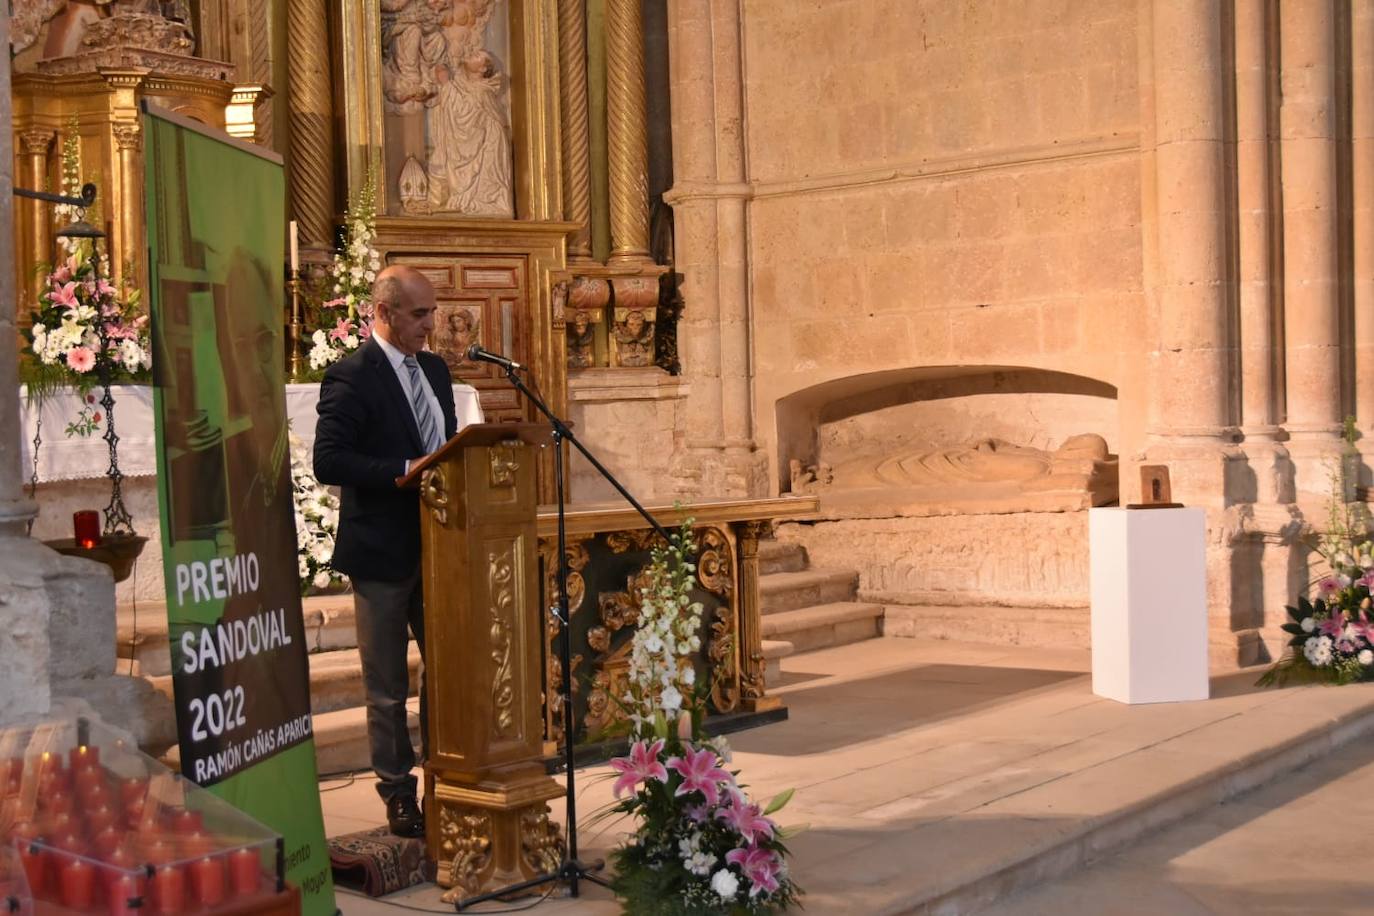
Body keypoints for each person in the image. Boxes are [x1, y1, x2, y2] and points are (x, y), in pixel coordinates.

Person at [313, 265, 458, 837]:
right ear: (384, 312)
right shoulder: (352, 375)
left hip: (442, 547)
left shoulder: (436, 371)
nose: (430, 324)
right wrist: (402, 469)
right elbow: (329, 460)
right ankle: (398, 792)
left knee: (446, 672)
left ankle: (449, 776)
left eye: (432, 312)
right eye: (420, 314)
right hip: (381, 551)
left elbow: (445, 446)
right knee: (387, 686)